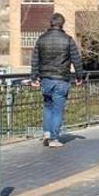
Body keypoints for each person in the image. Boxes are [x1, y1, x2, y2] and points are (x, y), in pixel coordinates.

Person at [31, 13, 85, 148]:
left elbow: (35, 60)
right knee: (58, 109)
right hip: (62, 79)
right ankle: (54, 138)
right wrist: (79, 76)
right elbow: (76, 59)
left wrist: (34, 77)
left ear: (51, 23)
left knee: (48, 106)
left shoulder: (41, 39)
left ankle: (47, 133)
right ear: (62, 24)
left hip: (46, 79)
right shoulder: (68, 40)